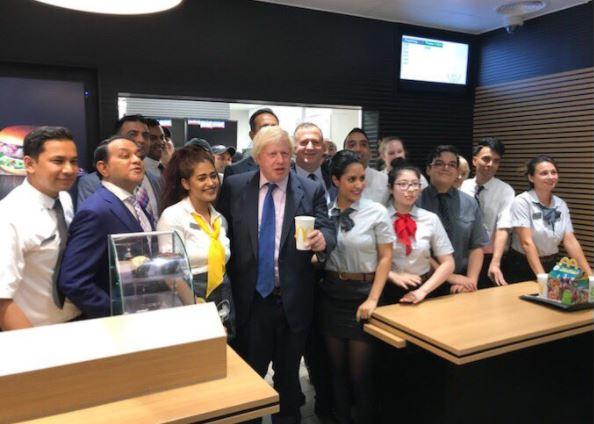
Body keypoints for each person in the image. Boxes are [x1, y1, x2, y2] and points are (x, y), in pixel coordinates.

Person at [216, 126, 336, 423]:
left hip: (292, 301)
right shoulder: (235, 187)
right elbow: (222, 234)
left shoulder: (309, 189)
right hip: (252, 302)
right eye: (273, 154)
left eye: (285, 153)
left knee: (289, 382)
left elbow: (328, 228)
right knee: (250, 381)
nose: (280, 160)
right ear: (258, 157)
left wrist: (324, 241)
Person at [320, 150, 393, 424]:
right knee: (336, 370)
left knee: (360, 373)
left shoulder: (376, 211)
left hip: (364, 295)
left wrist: (374, 299)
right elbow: (320, 256)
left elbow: (386, 257)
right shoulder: (324, 212)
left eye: (362, 178)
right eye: (351, 179)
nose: (359, 185)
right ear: (336, 180)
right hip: (331, 293)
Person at [58, 136, 154, 318]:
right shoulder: (96, 211)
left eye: (138, 156)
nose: (136, 160)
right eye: (125, 156)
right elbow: (74, 280)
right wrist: (116, 310)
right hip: (116, 321)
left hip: (142, 309)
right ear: (103, 168)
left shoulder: (135, 203)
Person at [0, 127, 80, 329]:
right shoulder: (9, 215)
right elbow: (2, 299)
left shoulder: (64, 198)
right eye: (58, 161)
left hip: (79, 321)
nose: (69, 169)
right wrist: (34, 349)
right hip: (38, 330)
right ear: (29, 164)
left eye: (73, 161)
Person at [157, 145, 235, 339]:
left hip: (222, 298)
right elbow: (170, 272)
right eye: (202, 178)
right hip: (190, 301)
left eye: (213, 176)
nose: (211, 183)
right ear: (185, 183)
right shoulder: (174, 216)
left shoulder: (219, 219)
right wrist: (198, 309)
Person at [507, 155, 592, 282]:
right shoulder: (522, 202)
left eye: (554, 172)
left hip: (551, 264)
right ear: (531, 177)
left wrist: (590, 275)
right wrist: (542, 277)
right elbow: (527, 243)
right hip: (522, 265)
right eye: (544, 173)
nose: (551, 177)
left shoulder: (560, 204)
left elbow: (570, 241)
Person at [418, 145, 489, 294]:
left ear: (457, 171)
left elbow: (476, 247)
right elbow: (417, 249)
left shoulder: (469, 203)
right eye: (439, 163)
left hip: (460, 285)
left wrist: (470, 282)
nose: (446, 167)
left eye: (452, 164)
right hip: (422, 282)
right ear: (428, 169)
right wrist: (449, 277)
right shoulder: (415, 202)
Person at [384, 160, 455, 304]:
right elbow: (369, 260)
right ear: (390, 188)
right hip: (386, 288)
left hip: (423, 288)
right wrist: (392, 275)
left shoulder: (430, 219)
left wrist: (422, 291)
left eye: (415, 184)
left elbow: (448, 263)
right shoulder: (379, 218)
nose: (410, 189)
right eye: (403, 184)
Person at [77, 114, 162, 220]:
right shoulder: (91, 183)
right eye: (133, 134)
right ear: (116, 138)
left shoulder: (157, 181)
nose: (141, 140)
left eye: (145, 135)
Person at [461, 138, 515, 288]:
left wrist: (495, 262)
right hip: (463, 256)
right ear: (474, 160)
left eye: (496, 161)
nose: (490, 164)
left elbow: (503, 227)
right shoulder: (461, 187)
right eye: (486, 159)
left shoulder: (505, 191)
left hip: (490, 257)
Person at [223, 108, 279, 177]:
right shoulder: (235, 171)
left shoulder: (289, 167)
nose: (271, 132)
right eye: (265, 128)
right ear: (252, 135)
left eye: (274, 128)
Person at [343, 128, 390, 205]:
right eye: (352, 145)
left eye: (363, 145)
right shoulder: (336, 182)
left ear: (370, 153)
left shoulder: (385, 181)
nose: (358, 149)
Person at [293, 122, 336, 204]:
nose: (310, 147)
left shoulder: (334, 179)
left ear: (323, 148)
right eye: (304, 142)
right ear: (294, 148)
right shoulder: (285, 180)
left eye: (315, 142)